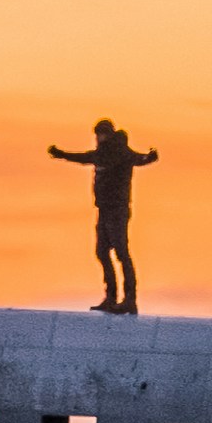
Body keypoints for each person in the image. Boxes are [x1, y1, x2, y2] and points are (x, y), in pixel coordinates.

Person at [47, 120, 158, 314]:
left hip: (118, 211)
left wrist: (150, 157)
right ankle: (111, 297)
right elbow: (85, 158)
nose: (98, 138)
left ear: (108, 134)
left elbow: (139, 159)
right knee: (102, 252)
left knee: (121, 253)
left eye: (101, 134)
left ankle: (129, 299)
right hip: (104, 210)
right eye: (97, 134)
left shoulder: (120, 152)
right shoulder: (101, 154)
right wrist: (62, 154)